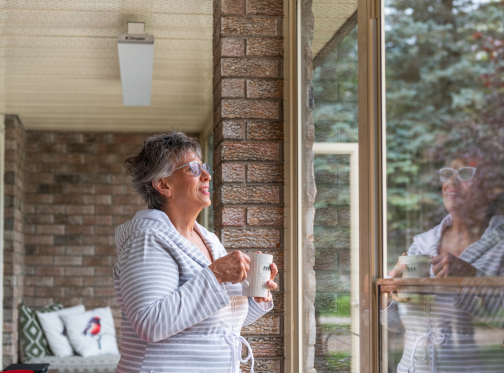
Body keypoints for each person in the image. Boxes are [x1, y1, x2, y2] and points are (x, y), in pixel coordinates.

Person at [113, 132, 278, 373]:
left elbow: (214, 325)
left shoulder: (209, 240)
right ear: (163, 184)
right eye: (192, 168)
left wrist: (255, 297)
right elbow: (150, 324)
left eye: (204, 167)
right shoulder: (148, 239)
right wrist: (217, 275)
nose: (207, 176)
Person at [382, 149, 504, 373]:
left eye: (466, 173)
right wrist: (391, 287)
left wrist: (470, 275)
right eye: (448, 173)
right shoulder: (421, 244)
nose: (452, 181)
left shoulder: (500, 245)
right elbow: (396, 326)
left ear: (491, 190)